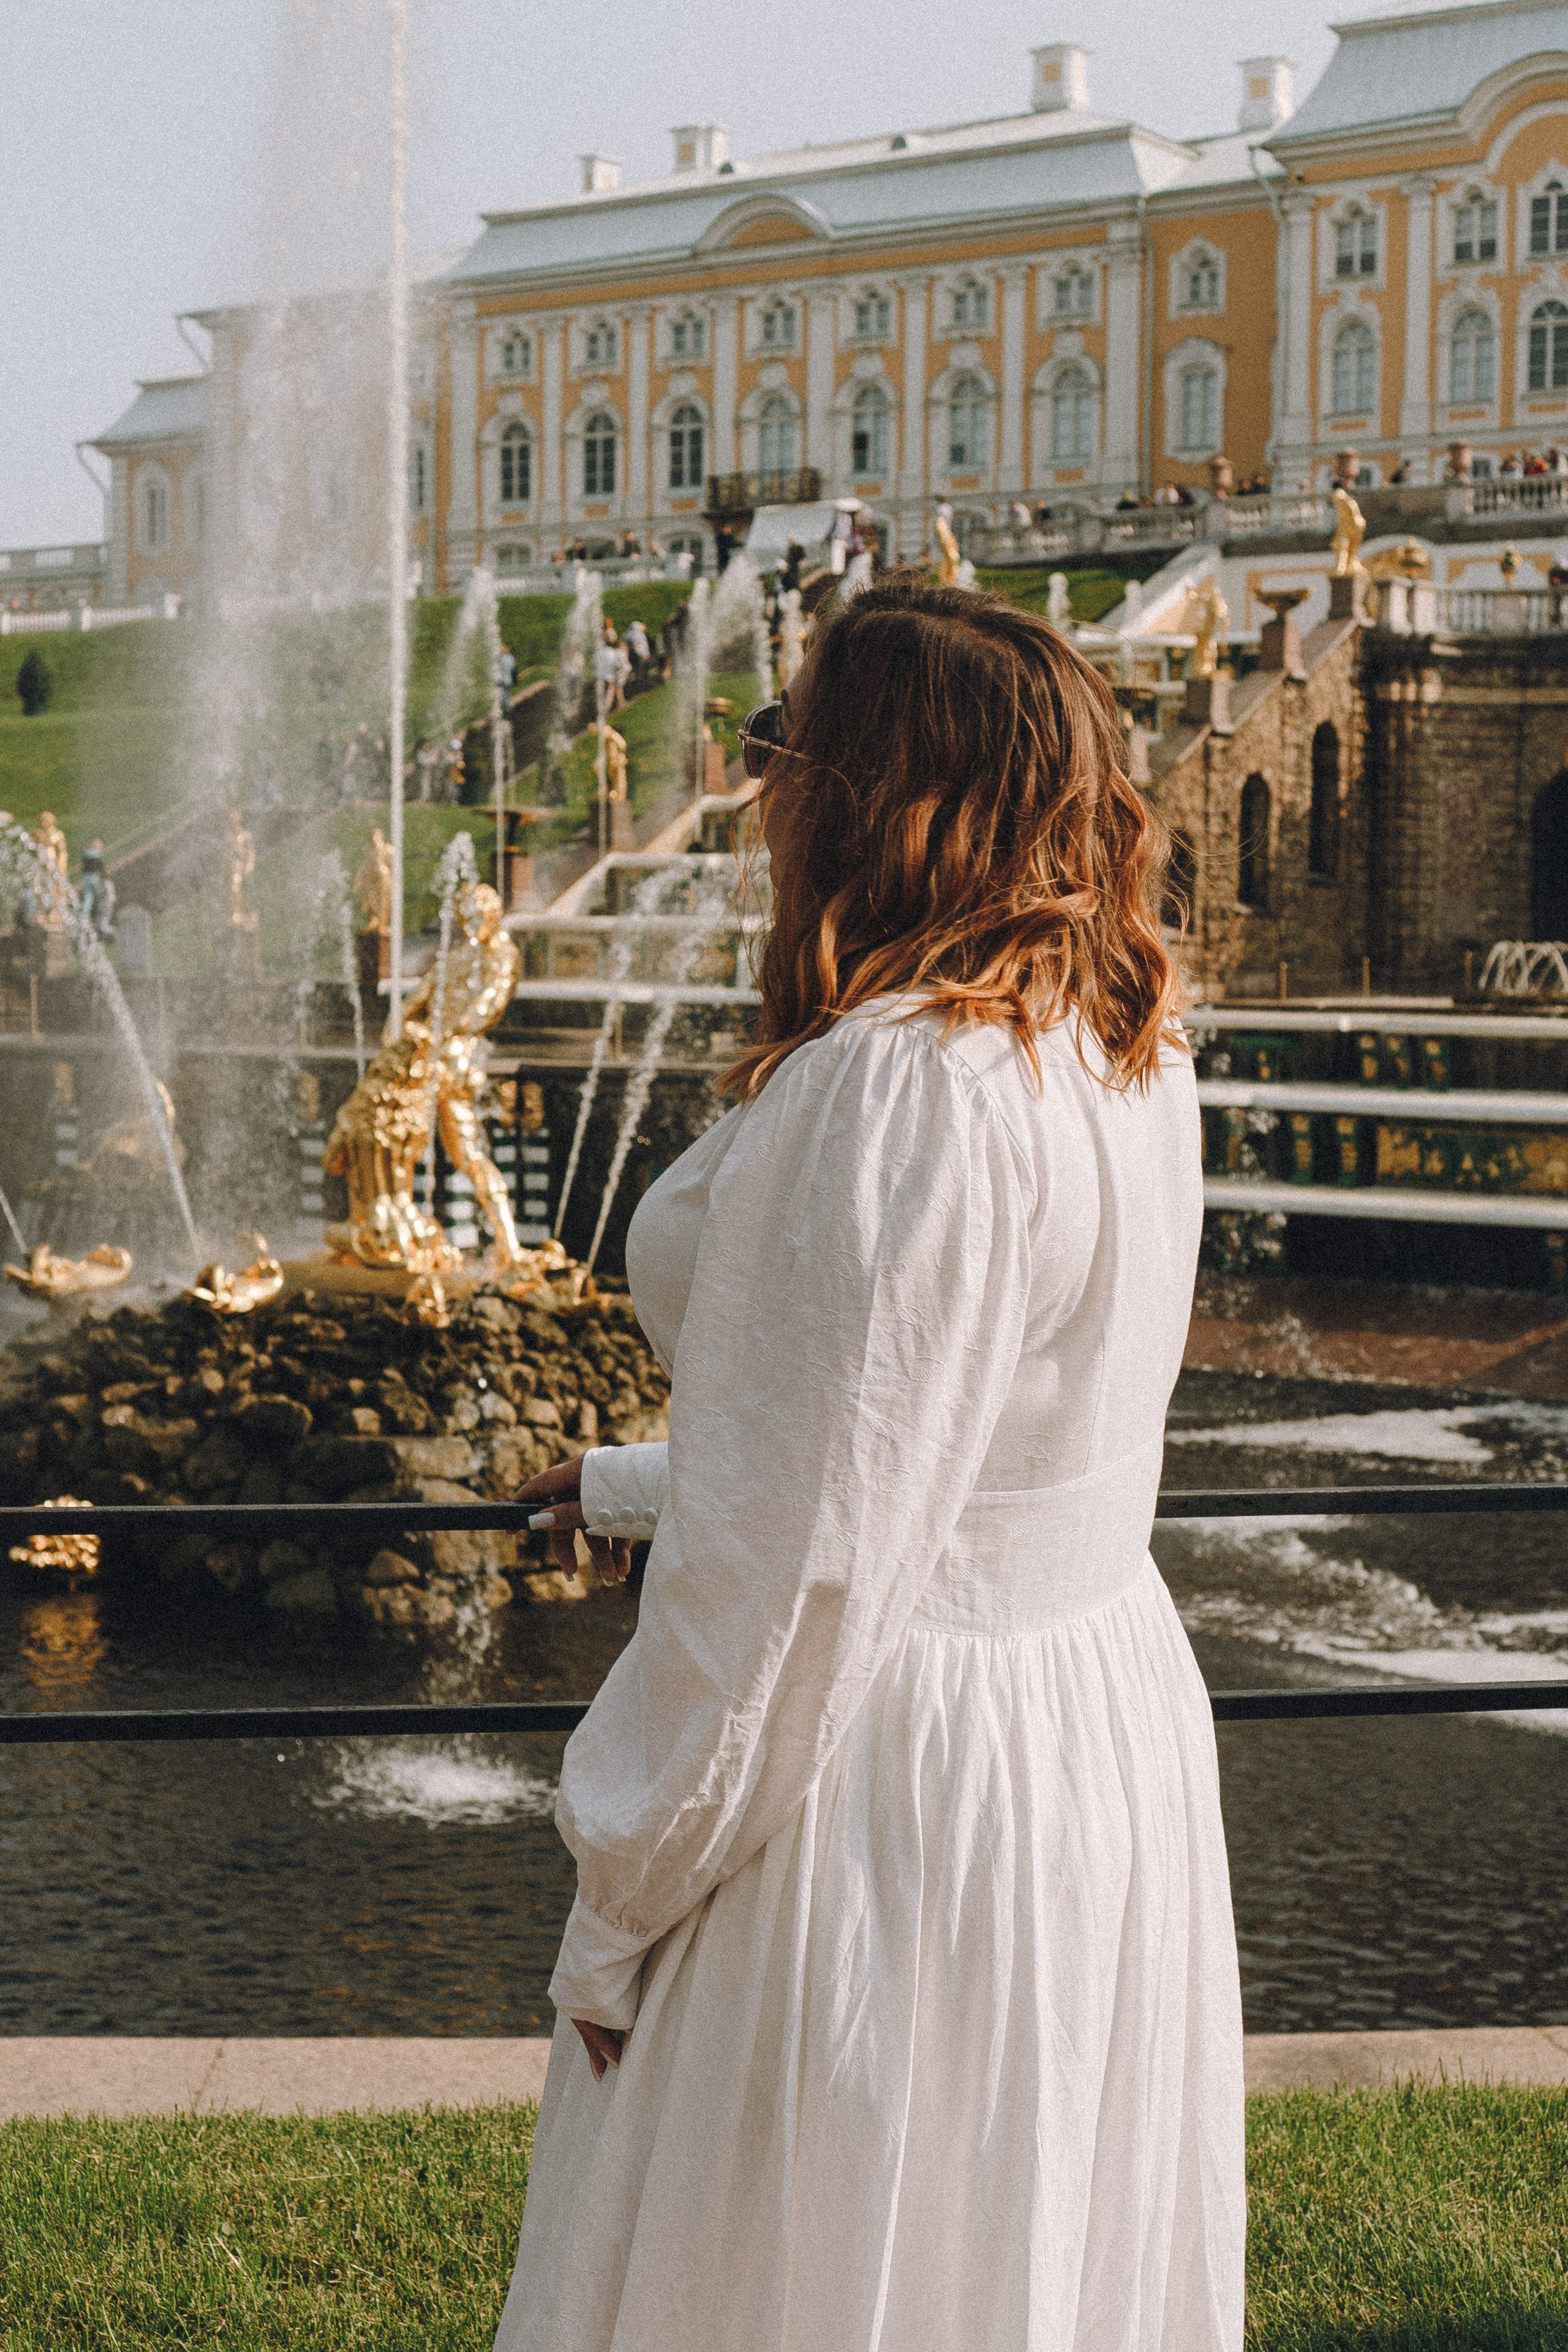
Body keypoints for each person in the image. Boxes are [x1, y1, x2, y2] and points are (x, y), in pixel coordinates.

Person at [497, 576, 1244, 2352]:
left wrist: (618, 1906)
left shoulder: (901, 1086)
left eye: (786, 751)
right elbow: (957, 1443)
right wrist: (630, 1490)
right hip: (1088, 1718)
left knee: (804, 2255)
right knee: (1003, 2244)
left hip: (885, 1767)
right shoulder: (1127, 1053)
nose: (760, 793)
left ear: (869, 790)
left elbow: (804, 1578)